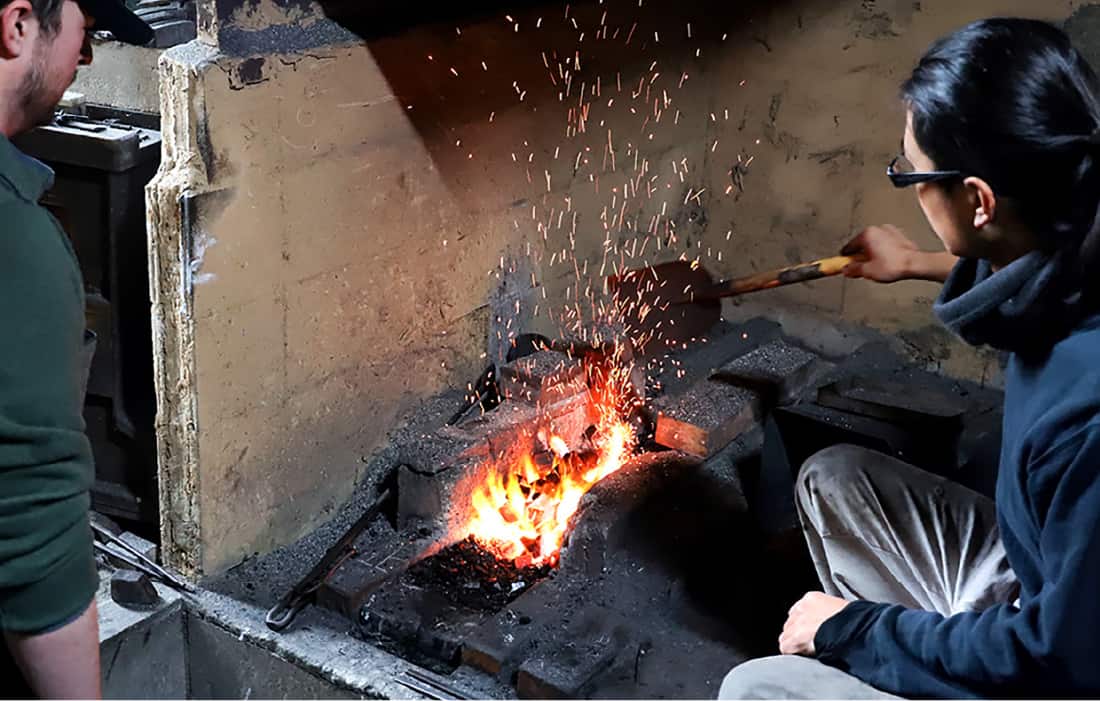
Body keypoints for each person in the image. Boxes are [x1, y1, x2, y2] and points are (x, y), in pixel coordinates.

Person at [720, 17, 1100, 699]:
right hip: (1045, 580)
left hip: (1055, 664)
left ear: (979, 200)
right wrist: (916, 262)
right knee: (833, 478)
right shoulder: (1078, 224)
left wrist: (853, 629)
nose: (908, 184)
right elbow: (1024, 278)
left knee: (756, 687)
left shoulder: (1088, 421)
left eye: (911, 174)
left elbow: (1061, 661)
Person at [0, 0, 150, 697]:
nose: (83, 61)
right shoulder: (17, 246)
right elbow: (34, 532)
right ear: (18, 25)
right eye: (84, 36)